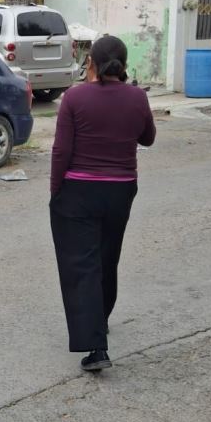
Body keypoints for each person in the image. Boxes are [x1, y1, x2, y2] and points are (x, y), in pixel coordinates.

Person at [48, 35, 156, 372]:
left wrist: (56, 192)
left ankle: (96, 348)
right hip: (121, 191)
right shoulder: (137, 97)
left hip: (78, 191)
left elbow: (61, 151)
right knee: (107, 258)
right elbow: (148, 138)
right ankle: (101, 319)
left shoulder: (75, 97)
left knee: (82, 265)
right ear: (124, 64)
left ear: (91, 62)